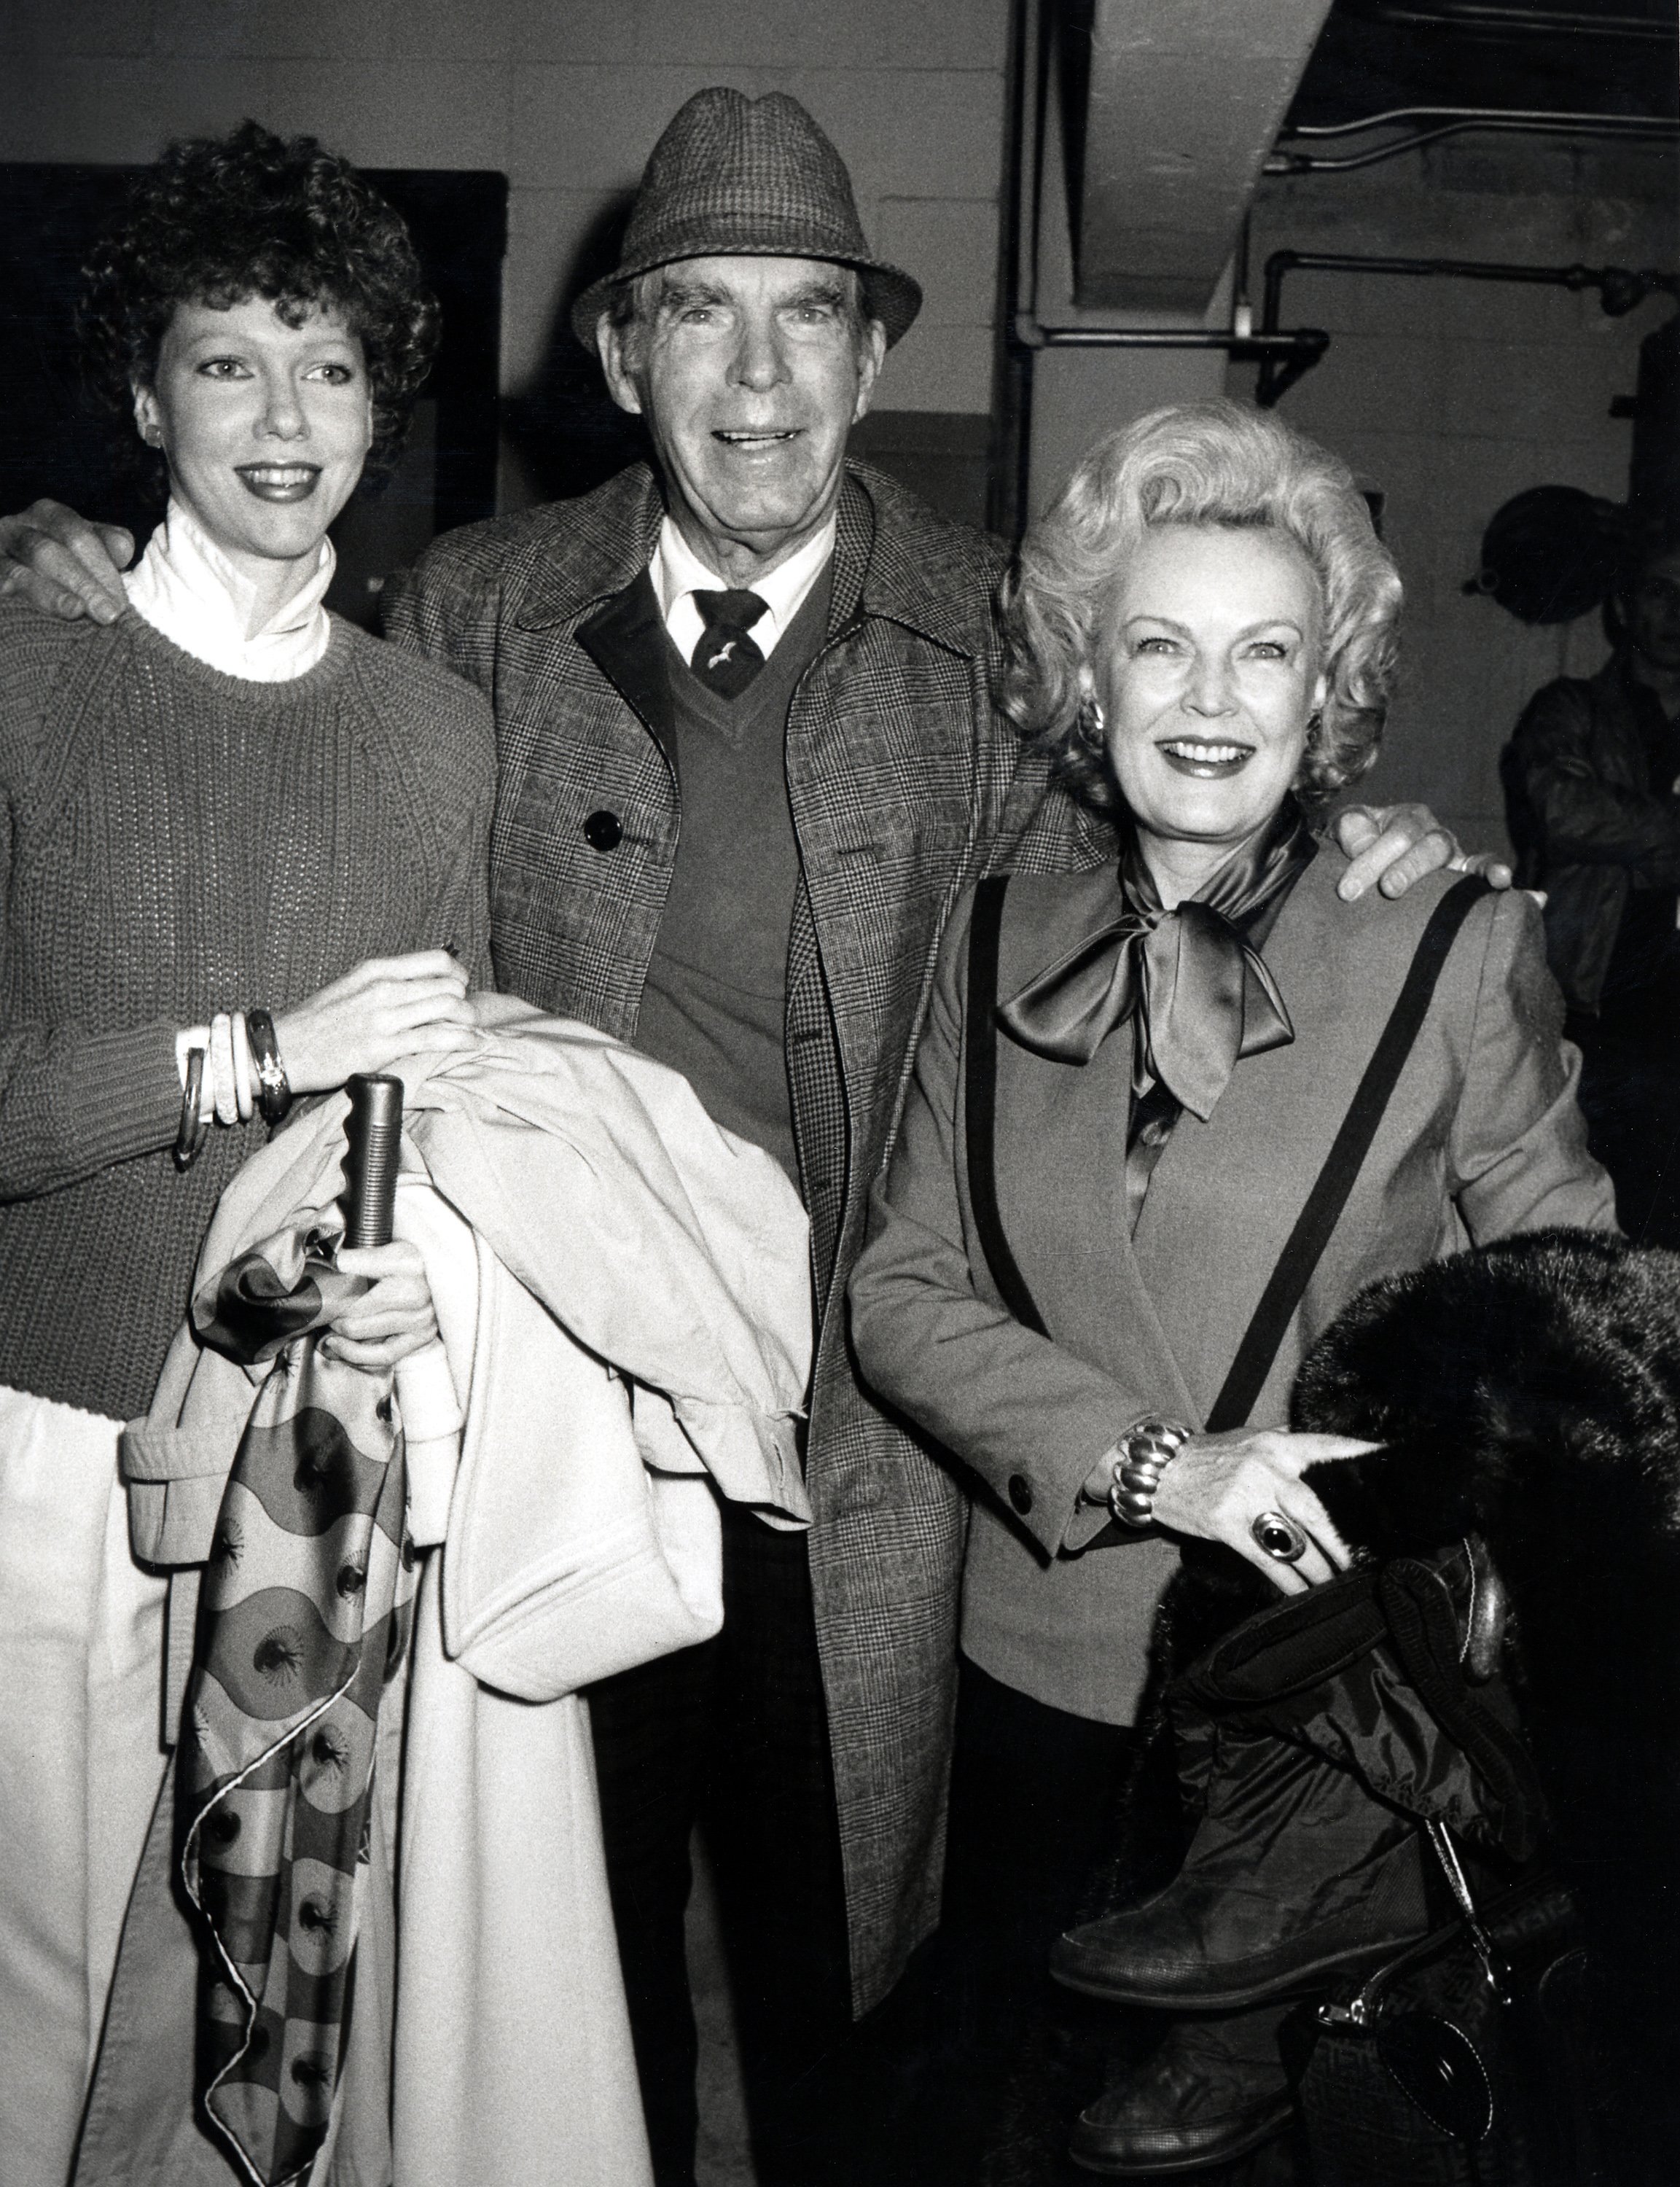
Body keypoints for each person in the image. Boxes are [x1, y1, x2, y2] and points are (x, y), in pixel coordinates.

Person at [0, 93, 1496, 2187]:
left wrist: (1367, 836)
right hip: (551, 1414)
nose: (762, 377)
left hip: (867, 1443)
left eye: (810, 320)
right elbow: (266, 693)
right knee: (542, 1978)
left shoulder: (1002, 639)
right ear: (622, 361)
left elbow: (1204, 772)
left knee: (847, 1985)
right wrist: (53, 546)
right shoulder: (474, 616)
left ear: (875, 363)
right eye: (700, 316)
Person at [849, 399, 1615, 2179]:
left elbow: (1573, 1312)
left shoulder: (1445, 938)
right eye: (1159, 646)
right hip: (1034, 1662)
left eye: (1263, 651)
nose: (1208, 701)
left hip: (1328, 1702)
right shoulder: (985, 942)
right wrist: (1145, 1459)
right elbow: (900, 1283)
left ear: (1325, 689)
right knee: (1023, 2115)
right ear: (1083, 675)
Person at [0, 122, 493, 2187]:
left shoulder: (431, 730)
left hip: (309, 1449)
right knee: (38, 1970)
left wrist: (423, 1269)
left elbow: (445, 1098)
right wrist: (247, 1056)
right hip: (54, 1423)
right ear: (144, 399)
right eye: (228, 363)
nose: (284, 420)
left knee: (262, 1975)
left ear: (382, 403)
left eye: (330, 367)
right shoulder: (27, 680)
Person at [1503, 526, 1680, 1245]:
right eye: (1660, 591)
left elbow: (1600, 820)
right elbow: (1563, 813)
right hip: (1597, 1008)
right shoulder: (1569, 707)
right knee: (1592, 1224)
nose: (1677, 611)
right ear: (1622, 607)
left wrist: (1634, 837)